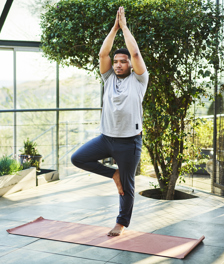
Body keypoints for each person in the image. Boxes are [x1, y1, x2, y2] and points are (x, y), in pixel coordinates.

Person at [71, 6, 149, 236]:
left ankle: (121, 223)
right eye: (116, 61)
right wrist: (114, 28)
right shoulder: (108, 78)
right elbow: (102, 55)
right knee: (78, 158)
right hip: (106, 138)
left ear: (129, 64)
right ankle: (113, 174)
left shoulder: (139, 80)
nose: (118, 64)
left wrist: (125, 27)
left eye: (122, 61)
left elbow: (136, 54)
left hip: (129, 142)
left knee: (127, 186)